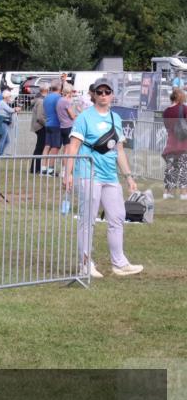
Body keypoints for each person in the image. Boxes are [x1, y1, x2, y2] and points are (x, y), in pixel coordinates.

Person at [63, 79, 143, 278]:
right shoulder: (84, 118)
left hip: (110, 176)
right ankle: (85, 263)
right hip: (88, 174)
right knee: (87, 219)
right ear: (93, 95)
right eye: (100, 92)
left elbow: (119, 150)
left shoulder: (116, 118)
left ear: (112, 95)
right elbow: (73, 146)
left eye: (107, 91)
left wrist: (128, 177)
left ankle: (119, 263)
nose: (104, 95)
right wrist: (68, 173)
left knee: (117, 217)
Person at [162, 88, 187, 200]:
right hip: (183, 144)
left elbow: (167, 127)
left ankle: (168, 193)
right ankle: (183, 193)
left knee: (170, 169)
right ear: (180, 97)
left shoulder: (166, 111)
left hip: (171, 144)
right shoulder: (185, 109)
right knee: (183, 169)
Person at [42, 80, 63, 174]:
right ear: (59, 87)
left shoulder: (46, 97)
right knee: (55, 147)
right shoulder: (59, 97)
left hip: (48, 123)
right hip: (56, 124)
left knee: (47, 146)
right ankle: (50, 169)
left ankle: (43, 168)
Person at [30, 84, 48, 173]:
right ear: (46, 90)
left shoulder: (39, 100)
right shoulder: (41, 101)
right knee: (40, 148)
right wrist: (47, 124)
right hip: (41, 126)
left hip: (40, 126)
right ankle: (35, 168)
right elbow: (40, 117)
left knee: (39, 147)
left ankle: (35, 168)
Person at [0, 90, 19, 156]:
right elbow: (10, 110)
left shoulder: (4, 103)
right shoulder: (2, 102)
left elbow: (9, 110)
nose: (10, 98)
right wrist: (15, 109)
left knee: (7, 141)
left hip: (4, 122)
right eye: (9, 96)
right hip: (3, 122)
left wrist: (14, 109)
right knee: (2, 139)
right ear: (6, 97)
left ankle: (0, 153)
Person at [57, 84, 76, 150]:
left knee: (65, 147)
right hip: (68, 126)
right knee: (67, 149)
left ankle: (64, 160)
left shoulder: (60, 100)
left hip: (62, 126)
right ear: (70, 92)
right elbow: (72, 116)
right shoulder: (67, 101)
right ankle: (66, 161)